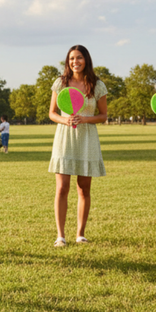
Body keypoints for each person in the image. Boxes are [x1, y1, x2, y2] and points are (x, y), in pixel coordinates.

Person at [48, 45, 108, 248]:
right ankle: (60, 236)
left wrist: (85, 119)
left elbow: (103, 116)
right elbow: (52, 113)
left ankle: (80, 234)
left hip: (87, 138)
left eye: (79, 58)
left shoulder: (97, 85)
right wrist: (65, 120)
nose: (75, 62)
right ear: (68, 61)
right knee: (62, 187)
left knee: (84, 188)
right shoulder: (60, 83)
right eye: (72, 58)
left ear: (86, 60)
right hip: (65, 137)